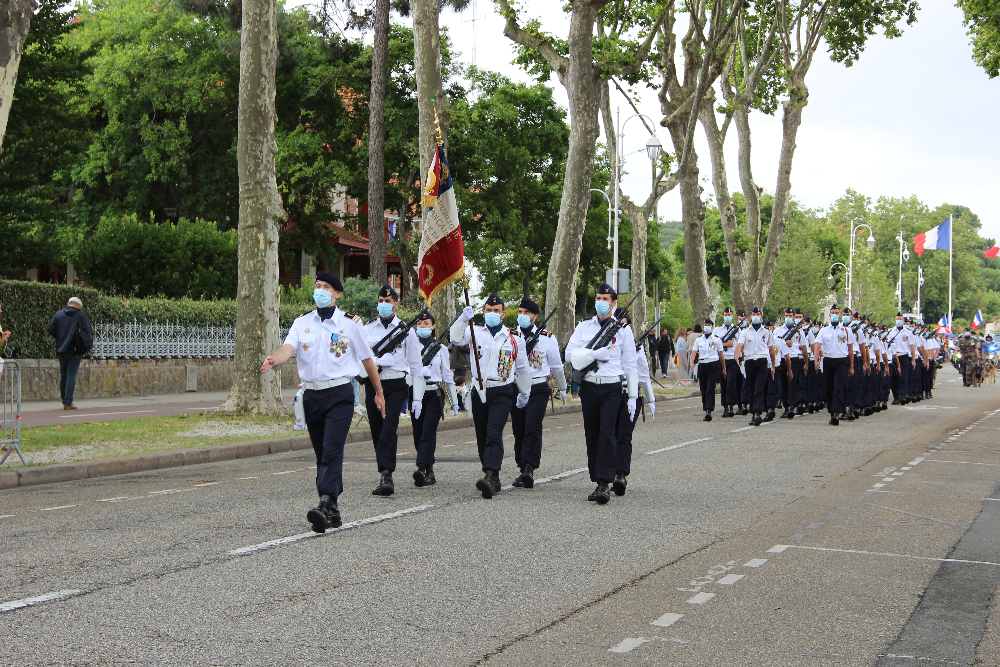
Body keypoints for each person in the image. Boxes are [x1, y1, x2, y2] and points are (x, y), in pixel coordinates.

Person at [261, 271, 387, 533]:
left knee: (331, 449)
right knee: (322, 453)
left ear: (337, 294)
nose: (319, 290)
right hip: (312, 395)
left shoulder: (350, 324)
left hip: (340, 394)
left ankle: (325, 501)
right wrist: (275, 359)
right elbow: (289, 348)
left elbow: (366, 360)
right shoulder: (302, 322)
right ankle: (334, 510)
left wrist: (378, 392)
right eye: (317, 285)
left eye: (326, 286)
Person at [451, 293, 532, 498]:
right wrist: (462, 319)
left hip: (502, 390)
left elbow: (522, 369)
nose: (492, 314)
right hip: (479, 389)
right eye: (488, 310)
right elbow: (454, 337)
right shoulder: (474, 331)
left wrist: (524, 393)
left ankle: (491, 474)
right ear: (483, 312)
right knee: (482, 434)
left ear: (503, 314)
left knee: (494, 432)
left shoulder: (514, 338)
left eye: (496, 311)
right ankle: (490, 474)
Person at [566, 282, 638, 504]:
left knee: (607, 433)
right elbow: (569, 354)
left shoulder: (623, 331)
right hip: (589, 386)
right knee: (593, 433)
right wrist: (593, 355)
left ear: (614, 303)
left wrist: (633, 396)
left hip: (611, 387)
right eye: (598, 298)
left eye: (605, 300)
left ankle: (604, 484)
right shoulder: (584, 327)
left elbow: (631, 365)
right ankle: (596, 477)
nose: (601, 302)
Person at [361, 285, 425, 497]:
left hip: (396, 383)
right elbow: (359, 357)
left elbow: (416, 366)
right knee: (377, 429)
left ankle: (387, 475)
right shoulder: (368, 329)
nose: (384, 305)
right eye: (380, 301)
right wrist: (378, 360)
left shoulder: (407, 332)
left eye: (388, 302)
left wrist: (417, 398)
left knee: (389, 427)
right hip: (374, 383)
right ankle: (383, 470)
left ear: (396, 305)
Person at [510, 297, 568, 489]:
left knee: (532, 426)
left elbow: (556, 365)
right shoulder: (509, 335)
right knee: (519, 428)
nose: (522, 316)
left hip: (537, 388)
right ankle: (521, 463)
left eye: (526, 313)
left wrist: (563, 387)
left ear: (534, 316)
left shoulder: (546, 338)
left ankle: (529, 467)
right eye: (520, 312)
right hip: (516, 386)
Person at [410, 311, 459, 487]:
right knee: (418, 433)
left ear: (433, 326)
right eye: (419, 324)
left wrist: (454, 401)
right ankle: (429, 470)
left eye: (426, 324)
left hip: (433, 394)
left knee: (428, 432)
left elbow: (447, 376)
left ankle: (422, 467)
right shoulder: (410, 346)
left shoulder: (441, 349)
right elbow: (404, 369)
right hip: (415, 393)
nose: (422, 327)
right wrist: (415, 372)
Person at [613, 312, 656, 496]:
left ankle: (621, 474)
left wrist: (651, 399)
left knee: (624, 435)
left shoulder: (637, 349)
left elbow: (644, 376)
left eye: (626, 325)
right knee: (608, 436)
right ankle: (607, 473)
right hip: (610, 394)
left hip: (630, 396)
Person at [813, 304, 855, 426]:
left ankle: (837, 412)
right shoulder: (824, 330)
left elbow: (850, 349)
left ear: (840, 315)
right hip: (828, 360)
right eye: (833, 313)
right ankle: (832, 411)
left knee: (838, 387)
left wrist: (851, 366)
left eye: (837, 313)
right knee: (829, 388)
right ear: (830, 314)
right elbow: (817, 347)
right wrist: (816, 361)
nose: (835, 315)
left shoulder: (846, 330)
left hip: (842, 361)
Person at [48, 297, 92, 410]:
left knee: (63, 374)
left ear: (68, 304)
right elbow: (88, 331)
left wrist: (61, 339)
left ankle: (65, 400)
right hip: (75, 349)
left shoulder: (58, 314)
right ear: (78, 305)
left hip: (61, 348)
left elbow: (52, 330)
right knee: (71, 374)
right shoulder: (81, 314)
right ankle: (68, 402)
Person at [734, 307, 776, 426]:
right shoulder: (745, 331)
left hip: (762, 361)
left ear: (761, 317)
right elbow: (740, 344)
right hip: (749, 361)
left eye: (758, 314)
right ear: (751, 317)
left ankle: (758, 412)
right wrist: (736, 353)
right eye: (753, 314)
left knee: (759, 388)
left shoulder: (767, 332)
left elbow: (771, 349)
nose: (756, 316)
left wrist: (773, 366)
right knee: (751, 388)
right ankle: (754, 414)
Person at [774, 308, 807, 420]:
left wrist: (806, 362)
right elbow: (774, 344)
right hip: (782, 359)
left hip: (794, 359)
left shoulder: (799, 331)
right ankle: (786, 406)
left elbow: (803, 347)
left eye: (790, 315)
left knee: (793, 384)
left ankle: (792, 406)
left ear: (794, 317)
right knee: (783, 384)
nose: (788, 317)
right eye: (786, 315)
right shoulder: (778, 330)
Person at [691, 318, 725, 421]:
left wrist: (724, 367)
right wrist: (692, 362)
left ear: (712, 327)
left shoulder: (717, 339)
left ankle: (709, 410)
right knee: (703, 388)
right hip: (702, 364)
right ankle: (705, 406)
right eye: (705, 324)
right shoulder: (699, 339)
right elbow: (694, 352)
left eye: (709, 325)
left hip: (713, 364)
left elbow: (721, 354)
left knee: (710, 387)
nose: (707, 326)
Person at [716, 307, 741, 418]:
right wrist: (725, 344)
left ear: (732, 316)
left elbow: (741, 345)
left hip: (733, 359)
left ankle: (731, 406)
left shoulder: (737, 330)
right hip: (722, 359)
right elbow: (712, 344)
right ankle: (725, 406)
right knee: (724, 384)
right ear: (723, 316)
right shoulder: (718, 330)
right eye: (726, 314)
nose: (727, 316)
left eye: (729, 314)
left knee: (731, 383)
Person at [450, 338, 470, 411]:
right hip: (460, 362)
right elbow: (464, 347)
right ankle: (459, 404)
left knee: (459, 384)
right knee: (459, 384)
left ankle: (458, 404)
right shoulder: (460, 336)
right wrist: (471, 345)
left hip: (460, 362)